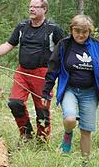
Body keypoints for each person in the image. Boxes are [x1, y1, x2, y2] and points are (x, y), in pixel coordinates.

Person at [0, 0, 64, 141]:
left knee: (42, 110)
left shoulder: (53, 29)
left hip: (43, 75)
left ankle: (42, 139)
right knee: (15, 103)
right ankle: (26, 134)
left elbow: (64, 50)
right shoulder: (22, 27)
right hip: (23, 73)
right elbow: (8, 44)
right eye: (30, 7)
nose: (31, 9)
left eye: (35, 7)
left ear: (44, 9)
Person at [42, 15, 99, 158]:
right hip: (70, 90)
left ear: (89, 31)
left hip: (90, 92)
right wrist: (46, 91)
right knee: (70, 119)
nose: (80, 35)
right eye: (77, 31)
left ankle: (85, 162)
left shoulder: (96, 46)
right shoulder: (64, 45)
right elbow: (53, 68)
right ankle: (68, 135)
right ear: (71, 30)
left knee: (86, 130)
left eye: (84, 32)